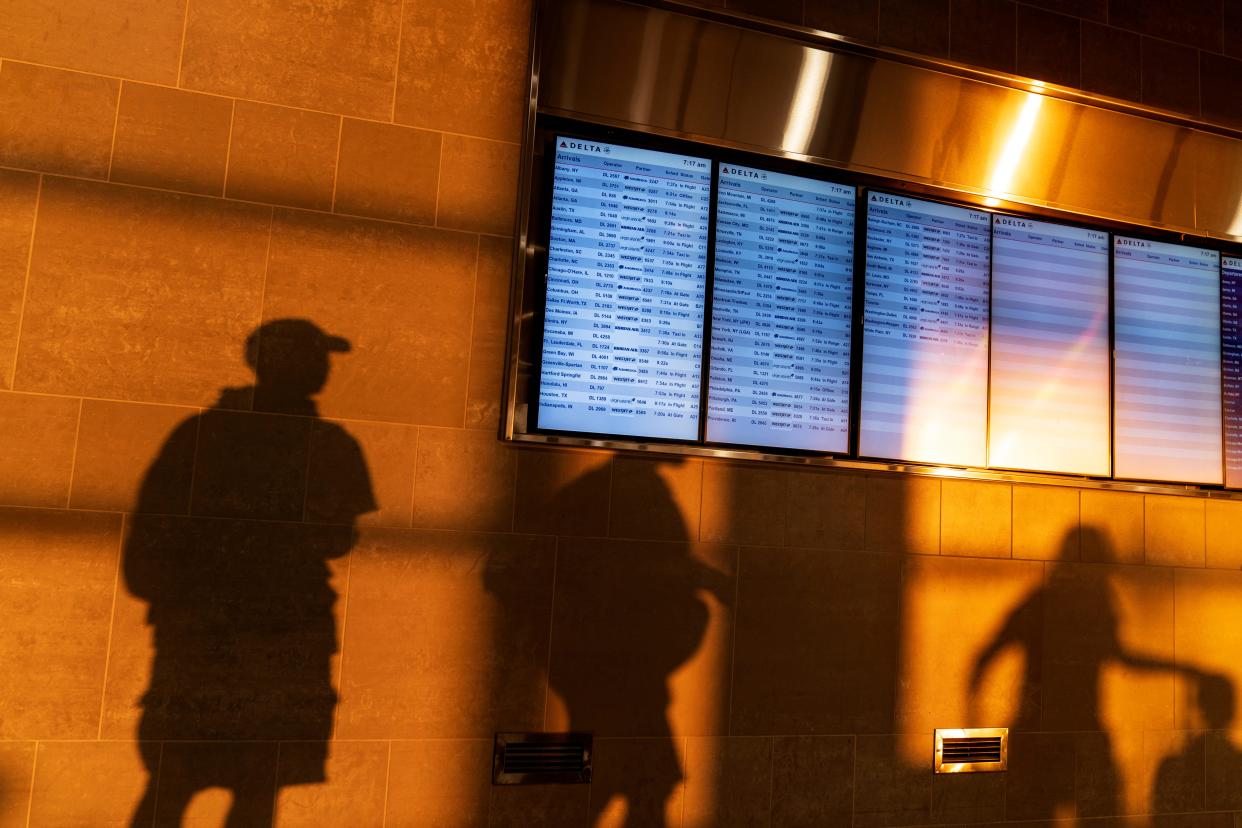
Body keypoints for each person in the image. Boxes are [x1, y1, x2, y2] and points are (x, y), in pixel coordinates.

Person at [125, 319, 375, 826]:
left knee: (174, 780)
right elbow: (336, 538)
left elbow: (153, 529)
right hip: (282, 628)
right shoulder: (327, 444)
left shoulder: (202, 433)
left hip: (202, 626)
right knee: (260, 783)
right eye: (315, 357)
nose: (324, 368)